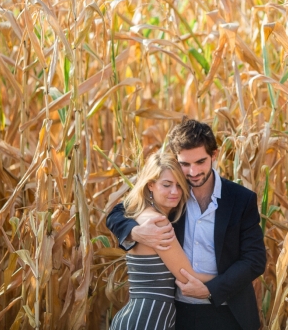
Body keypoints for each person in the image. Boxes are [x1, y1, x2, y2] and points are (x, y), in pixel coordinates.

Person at [107, 119, 267, 330]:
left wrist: (211, 289)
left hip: (227, 312)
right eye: (185, 164)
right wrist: (136, 232)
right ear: (176, 160)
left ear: (214, 155)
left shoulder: (240, 199)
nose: (193, 172)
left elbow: (255, 260)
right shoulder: (172, 197)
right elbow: (117, 213)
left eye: (200, 162)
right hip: (178, 313)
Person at [110, 151, 215, 330]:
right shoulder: (158, 222)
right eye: (166, 185)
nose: (175, 192)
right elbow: (187, 276)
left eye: (179, 185)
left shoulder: (139, 214)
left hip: (140, 316)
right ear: (151, 185)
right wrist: (234, 279)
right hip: (147, 319)